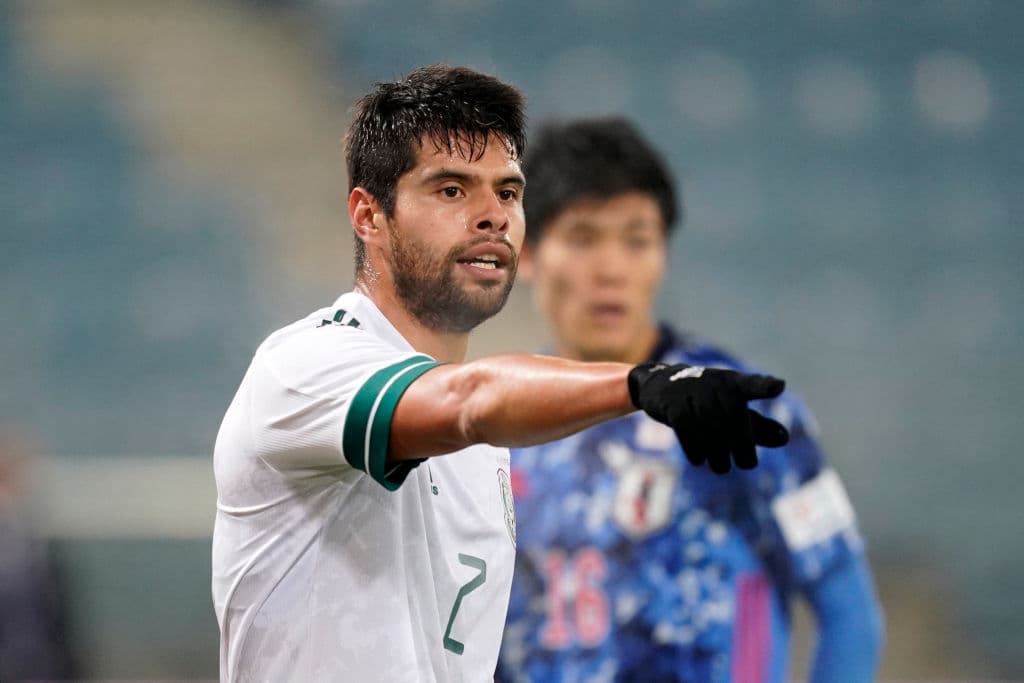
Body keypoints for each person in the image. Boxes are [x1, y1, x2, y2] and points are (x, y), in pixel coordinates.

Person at [211, 67, 792, 682]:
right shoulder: (305, 365)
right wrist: (640, 385)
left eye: (508, 193)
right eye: (452, 191)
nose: (493, 215)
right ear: (368, 215)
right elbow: (471, 400)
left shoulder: (482, 450)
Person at [496, 118, 884, 683]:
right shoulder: (502, 419)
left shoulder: (744, 412)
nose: (612, 270)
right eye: (583, 237)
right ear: (526, 254)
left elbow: (850, 616)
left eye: (637, 239)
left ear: (664, 255)